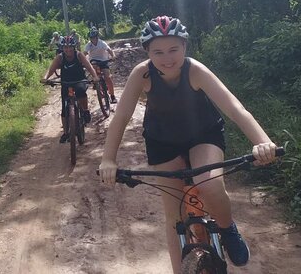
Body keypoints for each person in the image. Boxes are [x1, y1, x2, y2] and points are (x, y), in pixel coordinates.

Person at [97, 15, 277, 273]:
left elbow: (235, 109)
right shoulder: (142, 74)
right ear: (146, 52)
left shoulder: (195, 70)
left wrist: (263, 142)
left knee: (210, 183)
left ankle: (227, 229)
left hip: (204, 134)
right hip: (162, 141)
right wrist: (108, 159)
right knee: (174, 218)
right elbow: (122, 118)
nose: (167, 58)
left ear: (185, 47)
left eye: (174, 49)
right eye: (158, 51)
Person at [42, 35, 100, 143]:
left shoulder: (79, 55)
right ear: (62, 48)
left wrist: (95, 76)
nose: (68, 49)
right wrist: (45, 78)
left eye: (70, 47)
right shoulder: (60, 57)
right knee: (64, 110)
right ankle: (66, 132)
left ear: (74, 47)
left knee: (81, 91)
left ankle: (85, 111)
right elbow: (51, 69)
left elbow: (89, 67)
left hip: (79, 80)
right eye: (65, 47)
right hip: (66, 82)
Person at [84, 27, 118, 103]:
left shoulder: (102, 43)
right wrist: (82, 61)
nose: (93, 39)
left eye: (95, 37)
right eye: (92, 38)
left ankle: (112, 96)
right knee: (93, 66)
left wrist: (113, 56)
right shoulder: (88, 45)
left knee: (108, 77)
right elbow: (84, 54)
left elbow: (109, 50)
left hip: (103, 60)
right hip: (94, 60)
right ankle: (96, 80)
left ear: (97, 37)